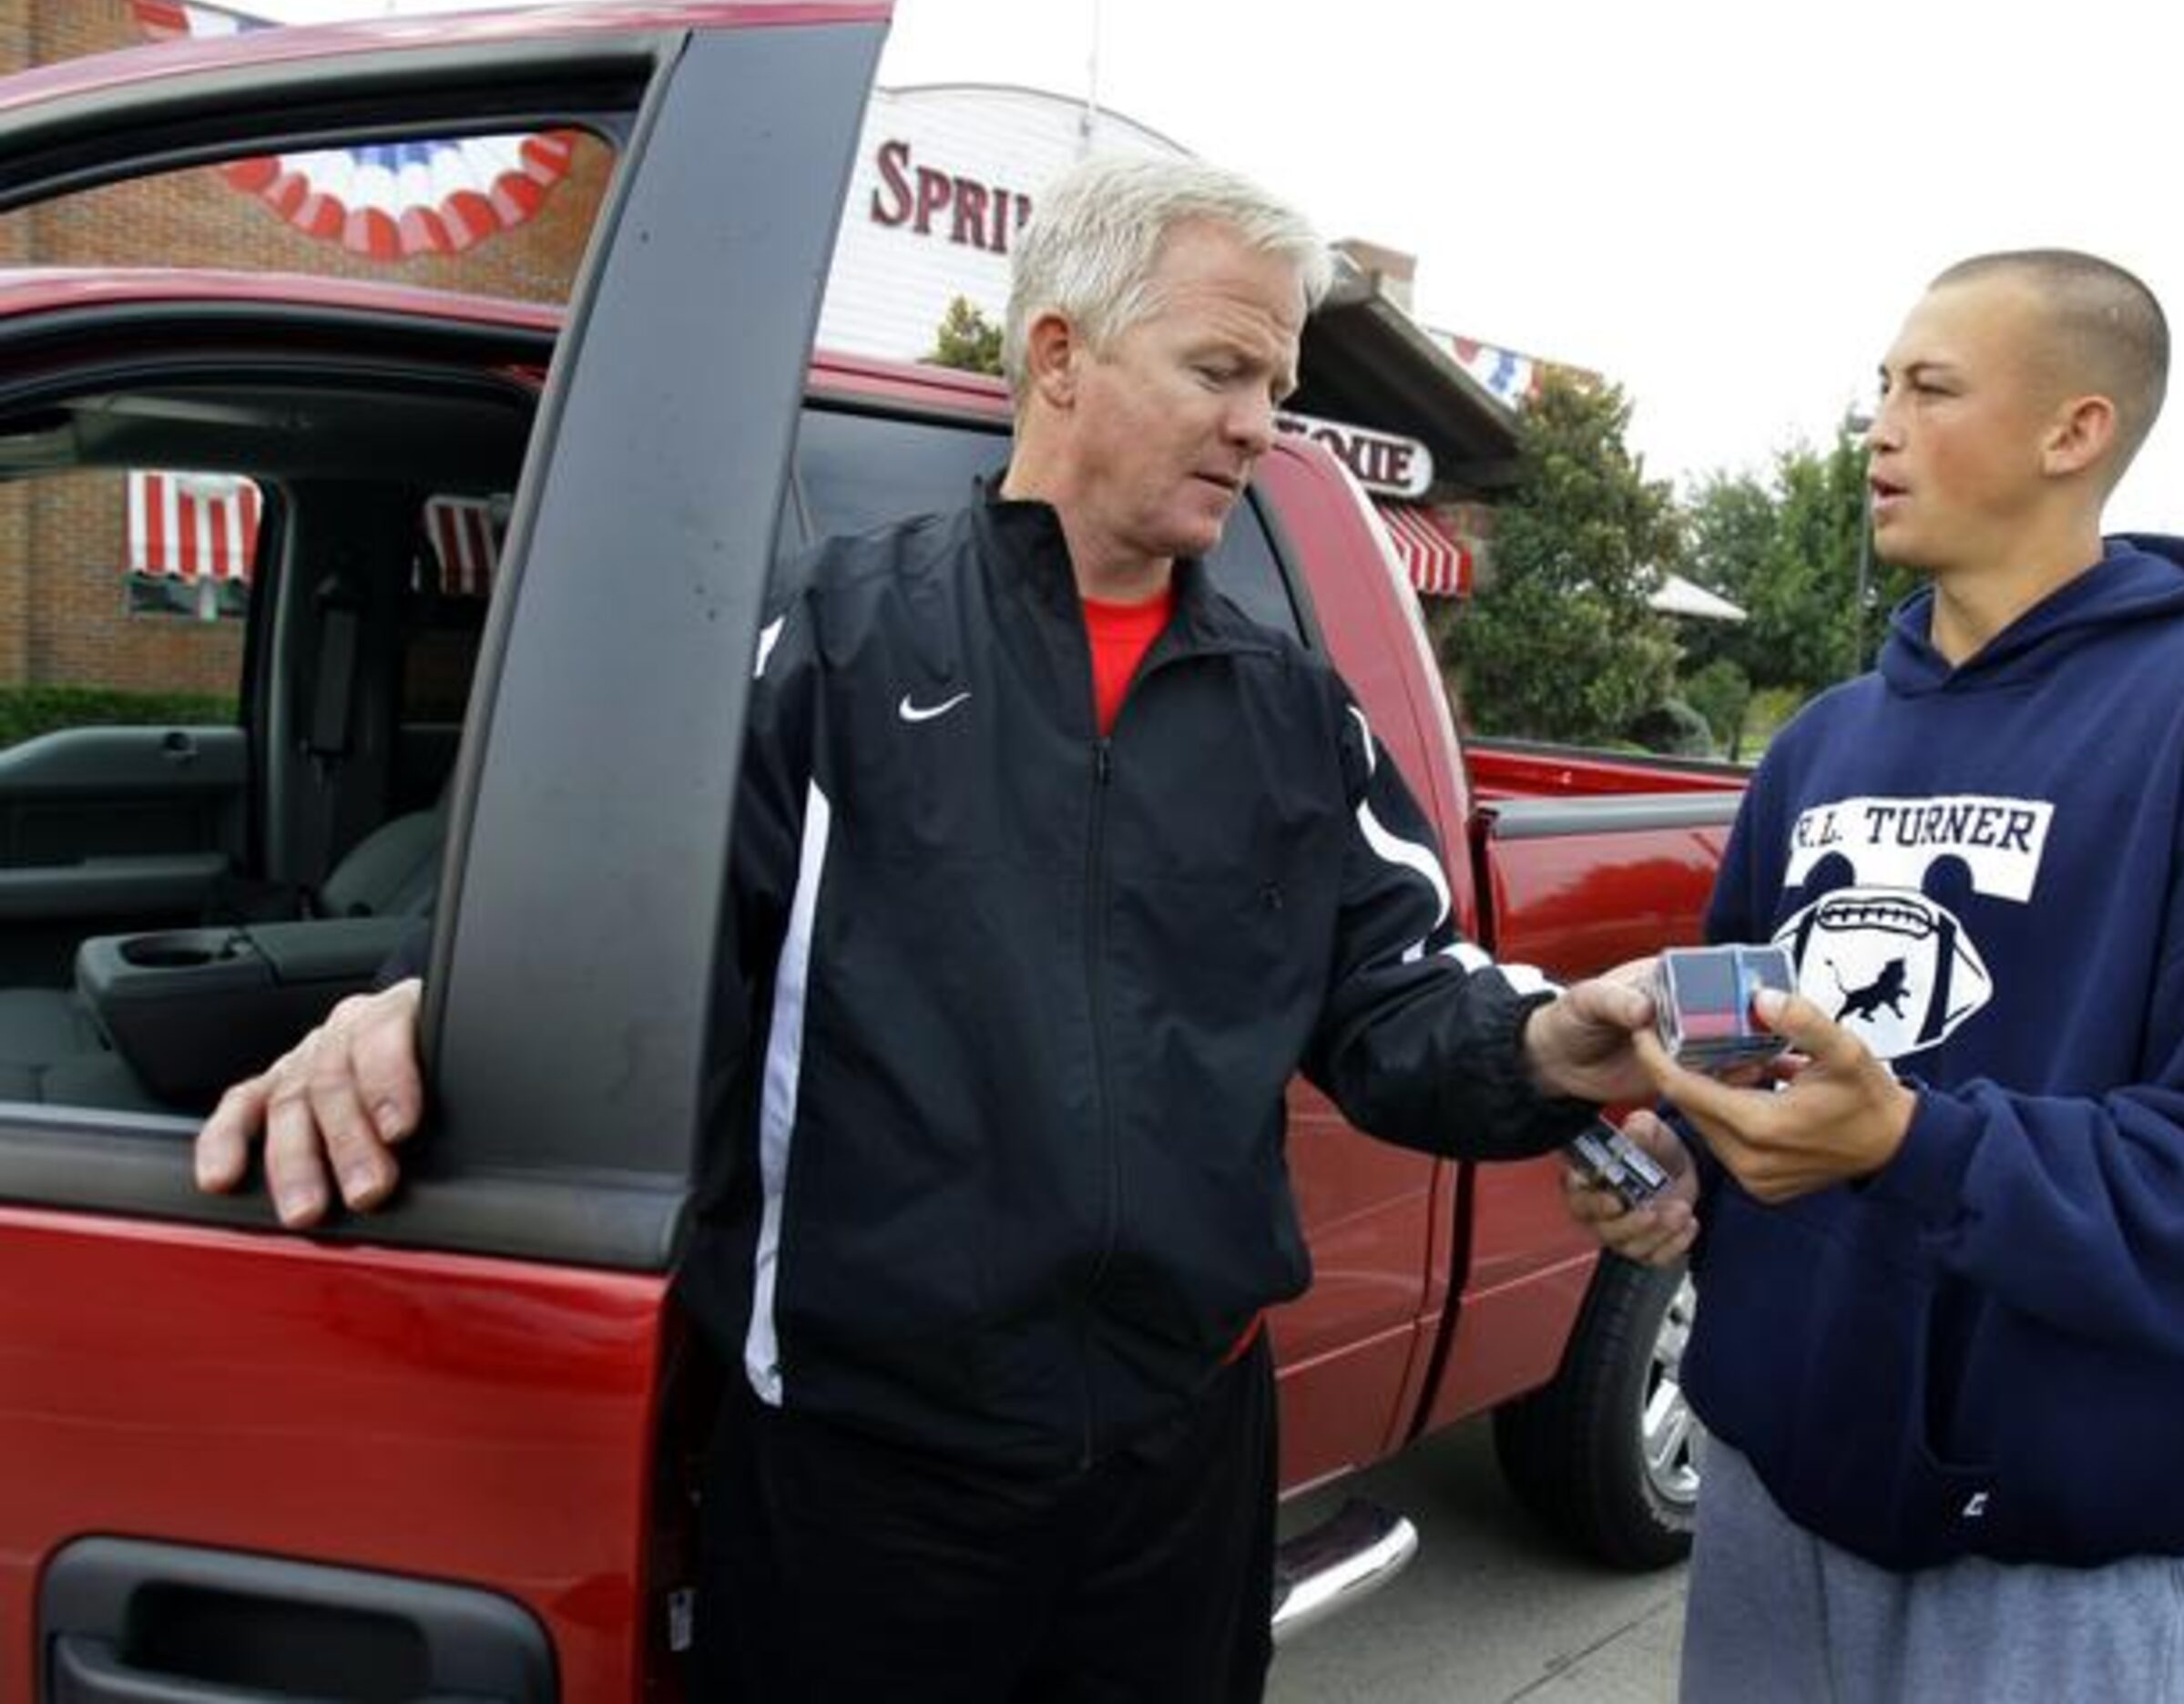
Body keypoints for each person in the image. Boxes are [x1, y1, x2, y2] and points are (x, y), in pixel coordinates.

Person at [196, 155, 1673, 1701]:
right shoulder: (829, 643)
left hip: (1184, 1461)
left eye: (1278, 387)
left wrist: (1544, 1041)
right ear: (1057, 355)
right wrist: (422, 989)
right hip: (871, 1479)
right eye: (1221, 370)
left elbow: (1397, 994)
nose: (1262, 424)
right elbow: (616, 896)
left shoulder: (1292, 717)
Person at [1573, 250, 2184, 1701]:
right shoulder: (1823, 746)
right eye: (1879, 389)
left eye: (1930, 388)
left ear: (2073, 431)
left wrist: (1923, 1146)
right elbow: (1748, 1069)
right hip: (1767, 1506)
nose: (1880, 428)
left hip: (2064, 1572)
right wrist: (1671, 1162)